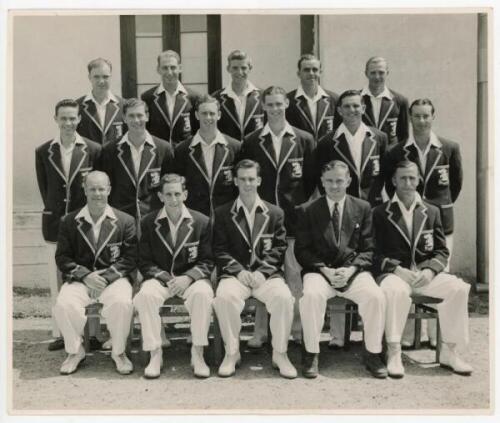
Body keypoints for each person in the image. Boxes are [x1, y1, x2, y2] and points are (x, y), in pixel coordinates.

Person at [373, 160, 472, 378]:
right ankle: (394, 351)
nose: (408, 183)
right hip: (396, 275)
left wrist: (429, 271)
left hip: (425, 276)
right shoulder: (380, 213)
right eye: (402, 178)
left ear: (419, 180)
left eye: (412, 178)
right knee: (395, 291)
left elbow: (441, 251)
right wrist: (397, 269)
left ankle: (450, 351)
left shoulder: (432, 211)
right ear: (393, 181)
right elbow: (373, 253)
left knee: (458, 288)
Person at [295, 160, 387, 379]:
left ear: (348, 181)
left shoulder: (363, 208)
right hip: (320, 272)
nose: (335, 186)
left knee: (375, 296)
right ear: (322, 183)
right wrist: (324, 270)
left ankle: (373, 353)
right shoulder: (307, 210)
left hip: (353, 271)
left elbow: (369, 248)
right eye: (329, 181)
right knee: (310, 296)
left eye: (339, 180)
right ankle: (311, 352)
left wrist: (351, 269)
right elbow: (302, 250)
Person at [239, 85, 316, 347]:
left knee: (294, 275)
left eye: (279, 104)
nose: (275, 109)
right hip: (262, 221)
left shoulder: (304, 140)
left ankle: (294, 329)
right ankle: (260, 331)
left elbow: (311, 181)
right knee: (263, 273)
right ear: (263, 106)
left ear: (287, 105)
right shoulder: (251, 141)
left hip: (293, 220)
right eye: (270, 104)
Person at [383, 98, 463, 346]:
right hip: (406, 217)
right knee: (408, 273)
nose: (421, 121)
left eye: (426, 116)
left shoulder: (449, 147)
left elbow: (455, 184)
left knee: (436, 275)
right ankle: (407, 336)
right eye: (416, 116)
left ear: (433, 117)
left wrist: (435, 207)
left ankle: (434, 336)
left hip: (438, 222)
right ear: (410, 117)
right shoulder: (396, 151)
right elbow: (389, 183)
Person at [315, 89, 388, 348]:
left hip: (371, 212)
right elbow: (319, 178)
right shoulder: (328, 142)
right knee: (338, 262)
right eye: (346, 106)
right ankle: (338, 337)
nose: (352, 111)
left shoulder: (378, 138)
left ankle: (374, 336)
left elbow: (386, 177)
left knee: (367, 271)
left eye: (356, 106)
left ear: (363, 108)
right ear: (338, 110)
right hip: (340, 210)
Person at [212, 159, 297, 379]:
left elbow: (279, 247)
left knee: (284, 298)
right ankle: (232, 353)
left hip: (265, 275)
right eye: (242, 179)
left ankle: (280, 353)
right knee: (224, 297)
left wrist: (262, 272)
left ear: (259, 180)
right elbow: (219, 249)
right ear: (235, 181)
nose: (247, 184)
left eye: (251, 179)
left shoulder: (275, 212)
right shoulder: (222, 213)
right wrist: (239, 271)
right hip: (235, 274)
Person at [53, 171, 137, 375]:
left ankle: (119, 352)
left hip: (113, 278)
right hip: (81, 279)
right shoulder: (69, 221)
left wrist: (104, 279)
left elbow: (130, 258)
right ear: (84, 190)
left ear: (109, 190)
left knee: (122, 303)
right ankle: (75, 351)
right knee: (63, 305)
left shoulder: (125, 220)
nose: (97, 193)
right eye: (92, 189)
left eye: (101, 189)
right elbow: (63, 257)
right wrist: (86, 276)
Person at [35, 99, 101, 351]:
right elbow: (45, 188)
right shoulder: (43, 151)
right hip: (55, 223)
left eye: (73, 118)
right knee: (59, 279)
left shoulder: (93, 149)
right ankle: (64, 334)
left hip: (84, 223)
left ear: (79, 119)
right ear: (56, 119)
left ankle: (93, 334)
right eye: (63, 118)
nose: (68, 123)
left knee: (87, 275)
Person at [133, 174, 214, 379]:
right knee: (145, 296)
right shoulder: (149, 222)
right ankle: (155, 352)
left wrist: (187, 278)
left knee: (203, 294)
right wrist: (166, 278)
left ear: (185, 194)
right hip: (161, 279)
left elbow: (208, 260)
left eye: (178, 193)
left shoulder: (202, 221)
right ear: (160, 196)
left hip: (190, 279)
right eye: (168, 194)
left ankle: (198, 352)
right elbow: (144, 261)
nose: (173, 199)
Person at [99, 98, 175, 227]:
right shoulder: (110, 150)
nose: (136, 120)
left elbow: (169, 185)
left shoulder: (163, 148)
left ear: (147, 116)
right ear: (124, 118)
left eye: (140, 115)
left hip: (154, 218)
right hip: (121, 219)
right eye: (131, 116)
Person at [174, 95, 240, 218]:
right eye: (204, 113)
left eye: (212, 113)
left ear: (219, 115)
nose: (208, 117)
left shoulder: (235, 147)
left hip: (227, 217)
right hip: (196, 217)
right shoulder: (182, 150)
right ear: (197, 115)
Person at [141, 50, 199, 146]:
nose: (169, 72)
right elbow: (145, 131)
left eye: (173, 67)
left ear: (180, 68)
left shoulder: (193, 97)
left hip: (183, 155)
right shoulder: (147, 97)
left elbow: (197, 131)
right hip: (159, 155)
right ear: (158, 69)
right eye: (165, 68)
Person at [212, 50, 265, 141]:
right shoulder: (216, 98)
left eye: (243, 68)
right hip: (229, 151)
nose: (239, 72)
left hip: (254, 153)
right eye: (235, 68)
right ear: (228, 69)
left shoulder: (262, 96)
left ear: (250, 68)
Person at [286, 54, 339, 144]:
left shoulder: (334, 99)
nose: (311, 73)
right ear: (299, 74)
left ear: (320, 72)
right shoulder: (288, 100)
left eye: (315, 70)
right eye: (306, 70)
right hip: (301, 154)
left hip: (327, 154)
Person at [76, 57, 127, 145]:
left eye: (105, 77)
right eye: (96, 77)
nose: (101, 81)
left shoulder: (124, 105)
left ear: (111, 77)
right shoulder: (78, 106)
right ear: (89, 77)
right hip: (90, 158)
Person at [360, 56, 409, 146]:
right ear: (366, 74)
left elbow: (404, 137)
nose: (377, 77)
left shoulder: (400, 101)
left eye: (381, 73)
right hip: (364, 155)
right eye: (373, 73)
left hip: (390, 156)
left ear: (387, 73)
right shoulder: (357, 100)